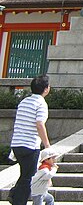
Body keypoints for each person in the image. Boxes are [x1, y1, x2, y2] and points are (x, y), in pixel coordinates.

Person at [9, 75, 51, 205]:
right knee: (29, 178)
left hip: (17, 145)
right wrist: (47, 145)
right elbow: (39, 124)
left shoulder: (24, 102)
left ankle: (14, 194)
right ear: (46, 89)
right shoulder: (41, 104)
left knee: (25, 174)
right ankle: (17, 199)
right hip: (30, 146)